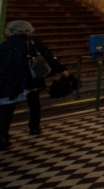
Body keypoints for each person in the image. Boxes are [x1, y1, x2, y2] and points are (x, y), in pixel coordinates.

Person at [0, 20, 69, 150]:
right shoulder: (32, 42)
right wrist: (61, 69)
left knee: (7, 109)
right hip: (30, 79)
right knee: (34, 103)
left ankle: (2, 136)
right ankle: (34, 128)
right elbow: (48, 56)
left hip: (10, 82)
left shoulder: (4, 46)